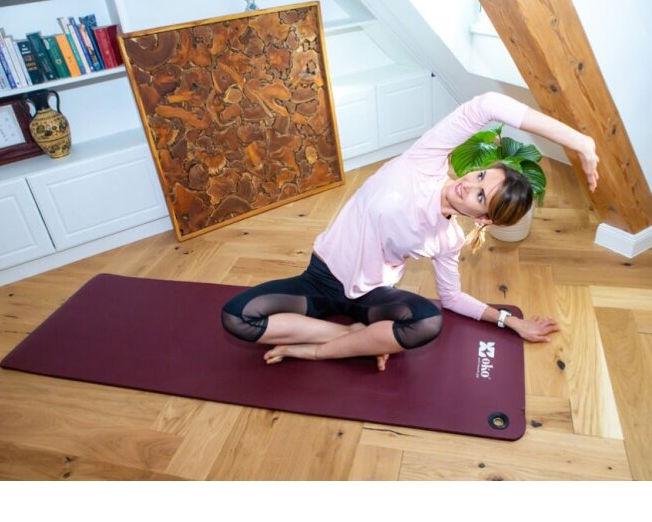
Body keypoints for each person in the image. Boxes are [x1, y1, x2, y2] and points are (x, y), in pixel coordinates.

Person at [221, 91, 599, 371]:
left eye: (481, 196)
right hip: (319, 279)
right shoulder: (425, 161)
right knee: (236, 317)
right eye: (481, 175)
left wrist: (510, 321)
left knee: (427, 322)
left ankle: (320, 349)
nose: (468, 184)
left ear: (484, 219)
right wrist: (581, 143)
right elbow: (488, 104)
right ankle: (354, 339)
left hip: (370, 298)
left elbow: (451, 298)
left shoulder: (448, 239)